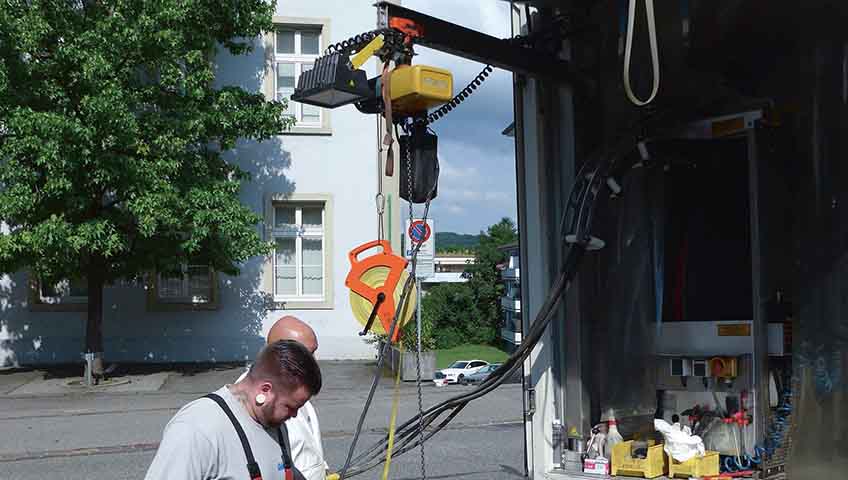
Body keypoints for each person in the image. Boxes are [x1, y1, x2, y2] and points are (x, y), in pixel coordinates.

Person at [144, 339, 322, 480]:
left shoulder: (273, 421)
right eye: (290, 407)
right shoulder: (196, 429)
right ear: (265, 390)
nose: (294, 415)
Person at [237, 316, 328, 480]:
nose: (313, 362)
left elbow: (307, 447)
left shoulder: (296, 390)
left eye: (314, 353)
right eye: (306, 356)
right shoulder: (249, 403)